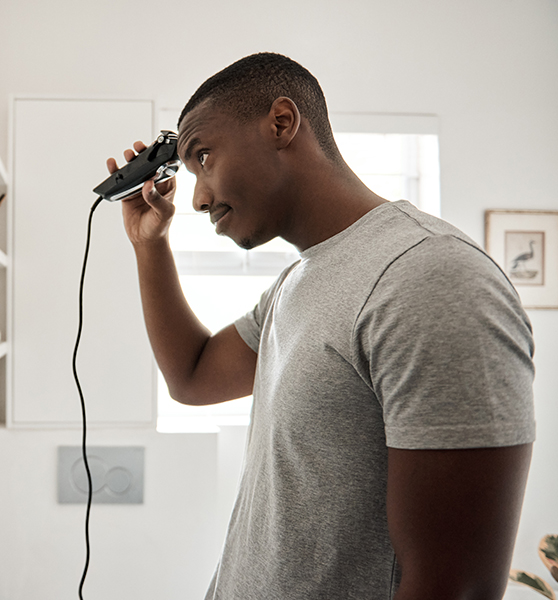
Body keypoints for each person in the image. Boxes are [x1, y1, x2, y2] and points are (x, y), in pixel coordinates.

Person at [107, 52, 535, 600]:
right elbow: (192, 378)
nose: (198, 197)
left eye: (204, 156)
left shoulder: (432, 277)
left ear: (281, 123)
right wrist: (150, 245)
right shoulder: (297, 281)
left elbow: (458, 587)